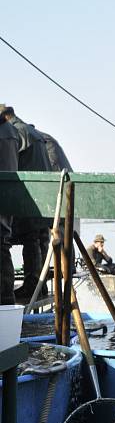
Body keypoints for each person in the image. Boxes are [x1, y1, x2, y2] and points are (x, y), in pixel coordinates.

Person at [0, 105, 53, 300]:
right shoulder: (33, 132)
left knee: (29, 239)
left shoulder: (15, 131)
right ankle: (39, 286)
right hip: (42, 192)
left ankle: (31, 287)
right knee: (40, 238)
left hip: (27, 192)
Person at [0, 112, 20, 304]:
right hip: (9, 192)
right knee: (4, 243)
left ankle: (6, 297)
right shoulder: (13, 132)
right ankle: (7, 297)